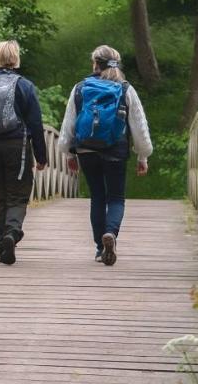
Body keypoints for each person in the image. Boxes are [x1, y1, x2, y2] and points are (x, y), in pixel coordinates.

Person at [59, 45, 152, 265]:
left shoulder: (80, 88)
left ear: (94, 64)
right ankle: (110, 233)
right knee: (116, 198)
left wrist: (68, 153)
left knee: (97, 197)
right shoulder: (125, 89)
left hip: (86, 150)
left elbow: (68, 124)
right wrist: (143, 156)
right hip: (115, 150)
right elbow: (139, 126)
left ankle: (101, 248)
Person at [0, 40, 47, 265]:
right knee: (17, 195)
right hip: (18, 148)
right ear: (15, 58)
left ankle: (0, 244)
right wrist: (41, 156)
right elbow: (35, 124)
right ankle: (12, 234)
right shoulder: (25, 86)